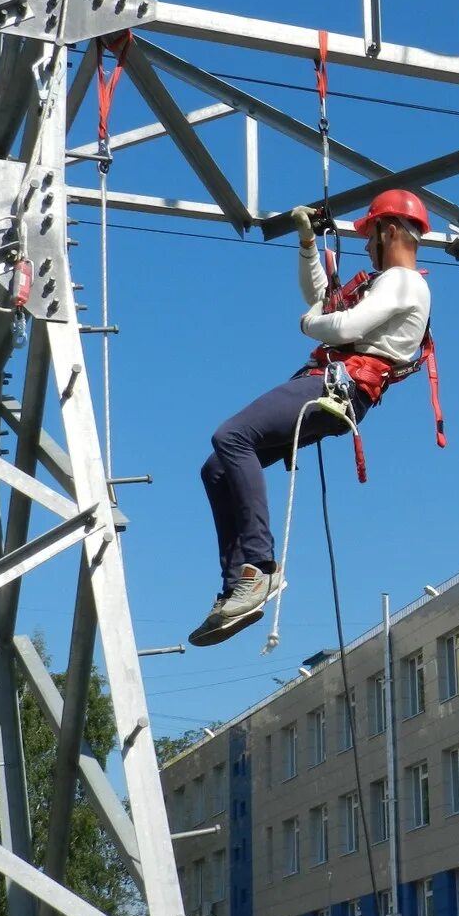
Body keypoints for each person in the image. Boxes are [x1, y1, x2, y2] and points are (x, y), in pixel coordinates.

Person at [189, 190, 433, 647]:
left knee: (231, 436)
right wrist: (307, 245)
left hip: (339, 384)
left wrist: (308, 323)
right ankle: (238, 583)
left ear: (390, 231)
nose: (364, 246)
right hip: (334, 386)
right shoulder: (384, 283)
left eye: (369, 235)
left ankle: (259, 567)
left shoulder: (404, 282)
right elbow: (324, 298)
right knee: (217, 468)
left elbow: (344, 327)